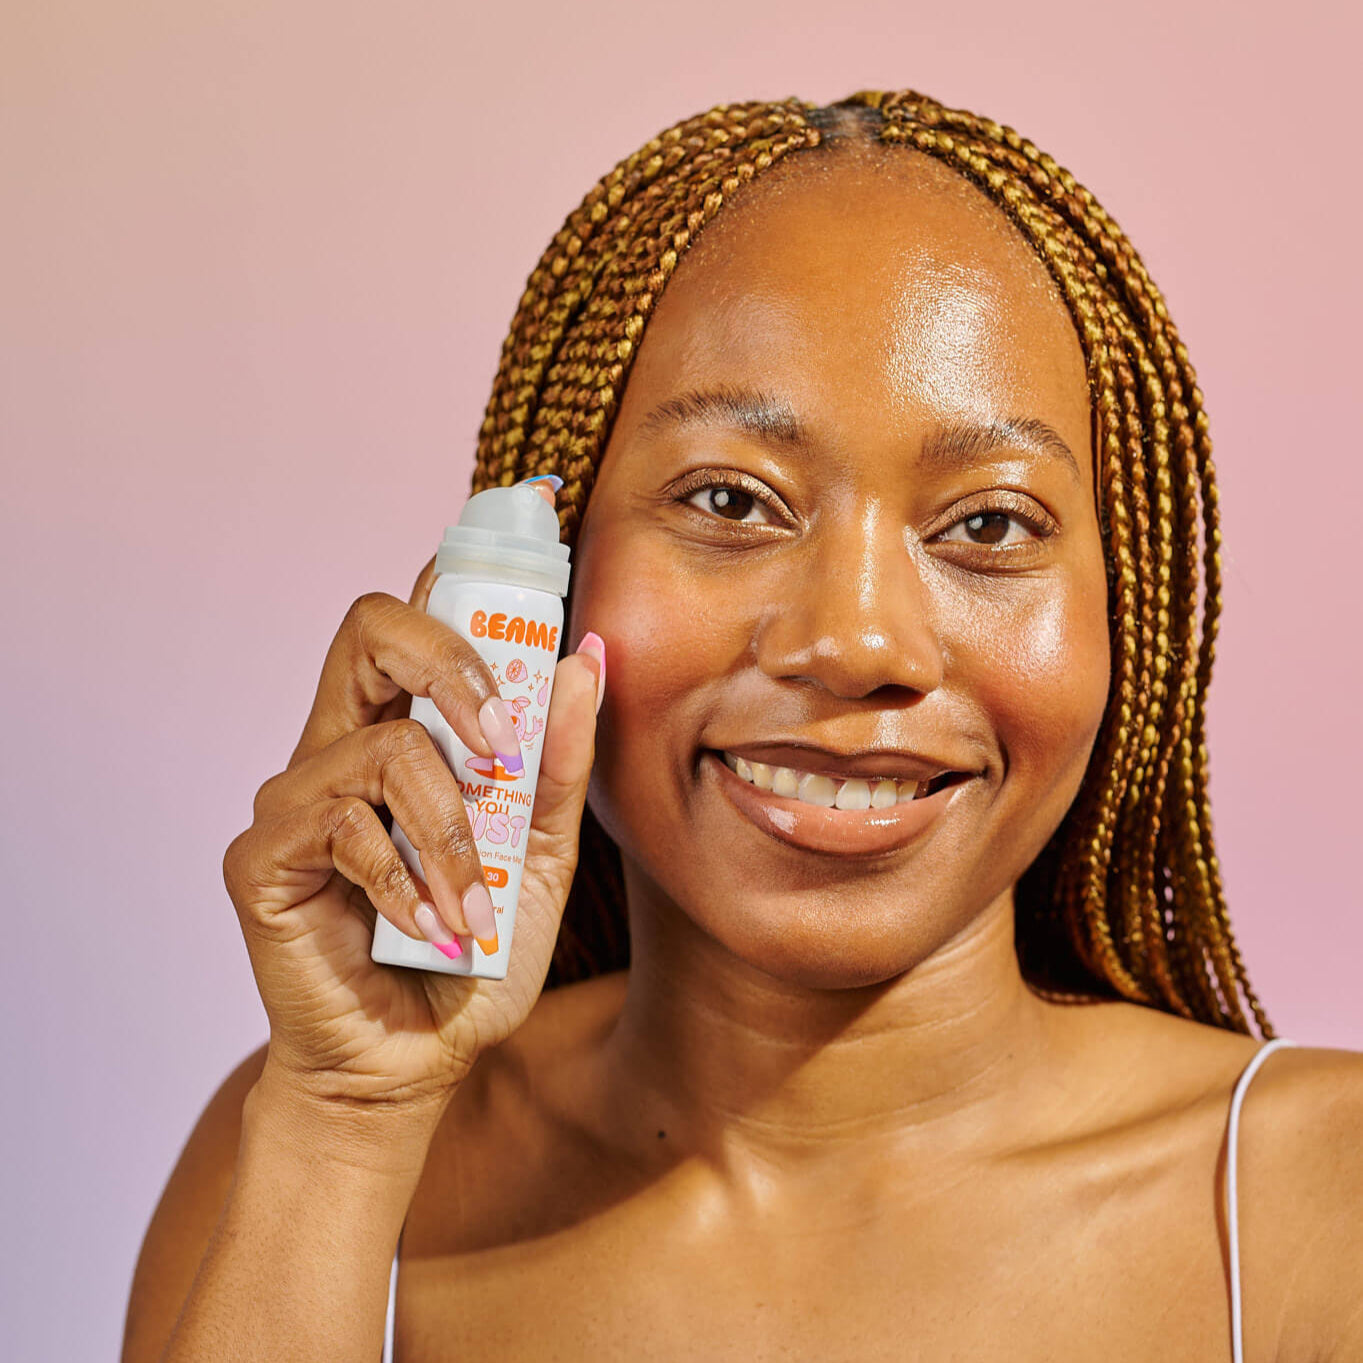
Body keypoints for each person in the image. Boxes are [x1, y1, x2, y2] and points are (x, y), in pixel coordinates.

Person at [122, 92, 1363, 1363]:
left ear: (1125, 613)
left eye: (988, 524)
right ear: (544, 587)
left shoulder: (1323, 1209)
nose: (859, 642)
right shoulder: (313, 1156)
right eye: (729, 500)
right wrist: (343, 1120)